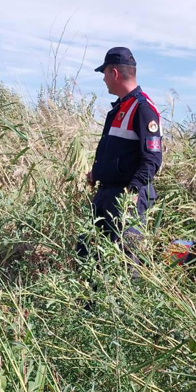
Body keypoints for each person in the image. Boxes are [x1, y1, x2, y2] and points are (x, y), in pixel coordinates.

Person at [76, 47, 163, 259]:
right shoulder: (121, 108)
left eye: (104, 73)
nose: (104, 79)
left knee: (124, 262)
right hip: (107, 194)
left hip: (126, 197)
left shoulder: (143, 108)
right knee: (87, 253)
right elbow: (120, 154)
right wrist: (97, 173)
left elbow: (152, 159)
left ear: (114, 73)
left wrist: (132, 191)